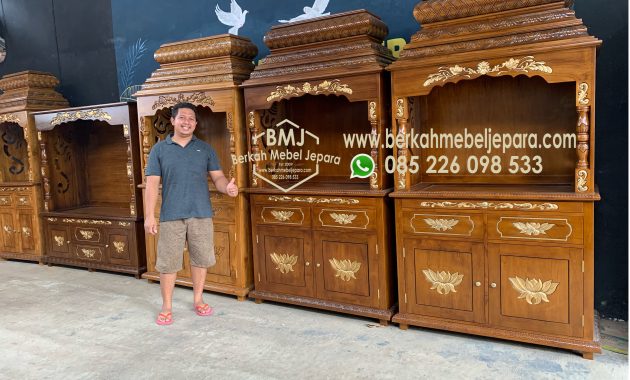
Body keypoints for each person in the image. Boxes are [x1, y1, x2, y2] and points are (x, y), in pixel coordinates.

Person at [144, 102, 238, 326]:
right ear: (173, 121)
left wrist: (228, 188)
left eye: (191, 119)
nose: (187, 122)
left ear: (195, 124)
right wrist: (149, 215)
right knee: (168, 263)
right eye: (182, 118)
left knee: (201, 259)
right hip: (171, 215)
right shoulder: (159, 150)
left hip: (201, 213)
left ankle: (198, 300)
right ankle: (167, 307)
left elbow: (218, 178)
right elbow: (151, 184)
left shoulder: (205, 149)